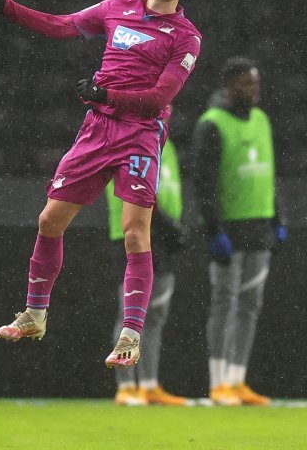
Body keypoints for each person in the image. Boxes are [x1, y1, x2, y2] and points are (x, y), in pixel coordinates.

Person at [0, 0, 202, 368]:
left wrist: (107, 94)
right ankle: (35, 314)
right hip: (98, 128)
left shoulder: (186, 37)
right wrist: (6, 8)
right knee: (49, 221)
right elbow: (61, 25)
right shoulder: (117, 8)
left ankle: (131, 336)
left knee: (136, 232)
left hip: (140, 133)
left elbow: (160, 98)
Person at [191, 56, 286, 406]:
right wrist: (213, 229)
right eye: (248, 84)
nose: (254, 90)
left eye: (257, 83)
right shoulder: (212, 124)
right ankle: (218, 383)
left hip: (259, 223)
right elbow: (203, 183)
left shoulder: (261, 120)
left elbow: (269, 170)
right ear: (230, 86)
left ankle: (237, 379)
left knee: (249, 305)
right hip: (229, 228)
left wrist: (279, 216)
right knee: (224, 301)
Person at [105, 121, 189, 406]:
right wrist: (170, 226)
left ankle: (149, 385)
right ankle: (126, 387)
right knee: (129, 312)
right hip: (133, 234)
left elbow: (169, 189)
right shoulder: (127, 142)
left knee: (155, 315)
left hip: (162, 237)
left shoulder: (168, 144)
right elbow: (140, 192)